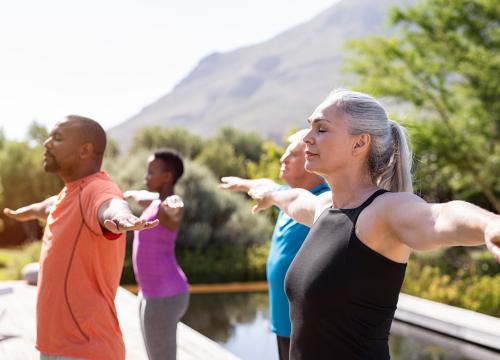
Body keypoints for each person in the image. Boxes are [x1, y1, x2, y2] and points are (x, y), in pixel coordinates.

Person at [248, 89, 500, 360]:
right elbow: (294, 198)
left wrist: (489, 224)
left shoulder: (382, 211)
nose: (307, 138)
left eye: (321, 129)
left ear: (359, 143)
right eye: (310, 127)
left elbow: (438, 217)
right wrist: (268, 194)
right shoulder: (324, 209)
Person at [3, 115, 158, 360]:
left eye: (57, 138)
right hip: (55, 346)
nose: (46, 143)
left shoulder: (97, 188)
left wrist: (122, 218)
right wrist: (29, 211)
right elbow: (50, 205)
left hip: (86, 350)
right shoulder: (70, 192)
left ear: (85, 150)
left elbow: (111, 204)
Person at [220, 130, 329, 360]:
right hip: (284, 324)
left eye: (292, 155)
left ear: (313, 161)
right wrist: (242, 183)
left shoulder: (324, 201)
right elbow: (266, 184)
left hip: (311, 329)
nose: (283, 159)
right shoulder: (285, 195)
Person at [124, 149, 189, 360]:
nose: (146, 177)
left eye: (152, 172)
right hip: (150, 293)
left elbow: (175, 208)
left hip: (165, 295)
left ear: (168, 176)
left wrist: (173, 206)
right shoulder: (154, 201)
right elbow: (139, 196)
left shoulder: (168, 204)